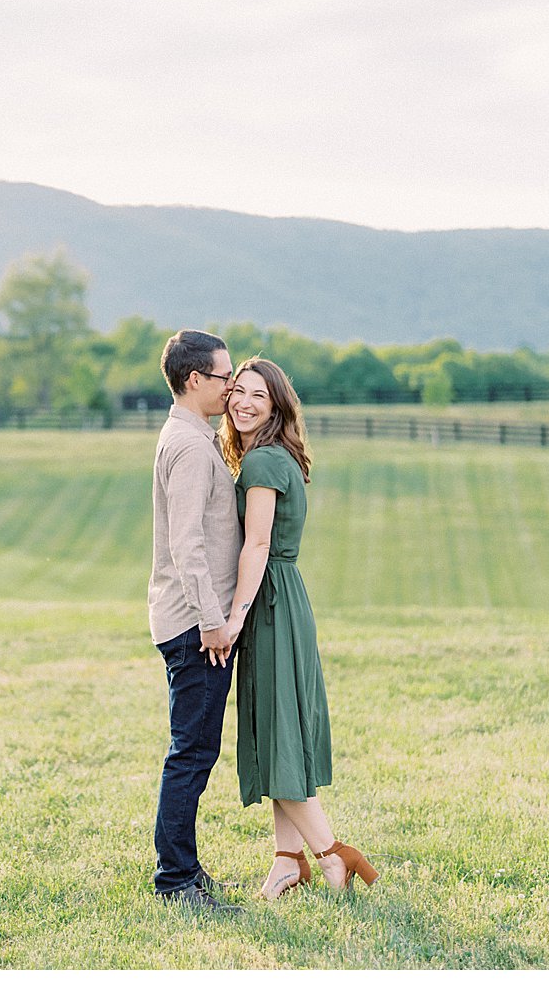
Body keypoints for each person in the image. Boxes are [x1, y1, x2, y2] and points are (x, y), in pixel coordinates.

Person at [217, 357, 378, 899]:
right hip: (287, 598)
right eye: (237, 391)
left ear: (277, 405)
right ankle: (287, 862)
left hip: (268, 603)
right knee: (280, 730)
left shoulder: (262, 462)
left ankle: (334, 856)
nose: (243, 402)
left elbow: (257, 544)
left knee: (276, 731)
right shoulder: (277, 456)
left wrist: (236, 615)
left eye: (258, 396)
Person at [149, 329, 244, 913]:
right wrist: (212, 621)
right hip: (194, 625)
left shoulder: (193, 437)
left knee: (196, 749)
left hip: (193, 621)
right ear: (194, 381)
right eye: (223, 376)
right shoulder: (187, 446)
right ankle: (175, 880)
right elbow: (187, 546)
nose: (231, 385)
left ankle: (185, 868)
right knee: (191, 752)